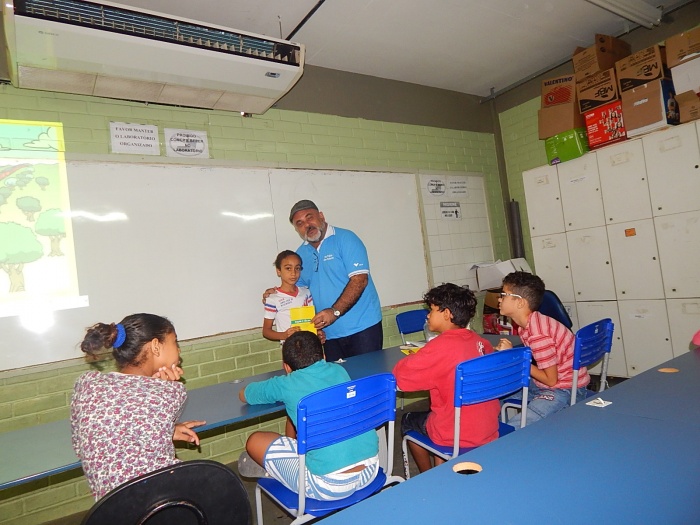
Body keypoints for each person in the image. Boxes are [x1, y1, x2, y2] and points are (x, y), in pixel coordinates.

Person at [70, 313, 205, 500]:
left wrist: (168, 429)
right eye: (175, 342)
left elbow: (81, 447)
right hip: (155, 503)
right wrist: (164, 388)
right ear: (156, 346)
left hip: (109, 507)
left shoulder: (87, 385)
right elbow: (161, 460)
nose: (179, 350)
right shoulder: (168, 392)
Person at [237, 331, 380, 500]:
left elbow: (244, 395)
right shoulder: (339, 371)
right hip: (370, 470)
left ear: (286, 367)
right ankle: (282, 468)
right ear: (324, 357)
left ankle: (278, 472)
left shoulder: (285, 384)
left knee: (254, 441)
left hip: (328, 485)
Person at [392, 283, 499, 473]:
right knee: (438, 404)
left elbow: (399, 379)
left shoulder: (439, 347)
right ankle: (441, 465)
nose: (427, 315)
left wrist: (421, 355)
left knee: (408, 420)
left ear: (447, 314)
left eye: (432, 310)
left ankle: (430, 476)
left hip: (456, 433)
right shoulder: (481, 342)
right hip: (489, 427)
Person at [265, 200, 382, 362]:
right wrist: (275, 292)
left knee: (368, 375)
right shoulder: (300, 254)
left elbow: (360, 280)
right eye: (300, 223)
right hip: (327, 335)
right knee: (336, 378)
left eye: (309, 217)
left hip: (362, 328)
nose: (307, 225)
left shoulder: (346, 239)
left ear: (321, 216)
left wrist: (334, 312)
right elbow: (296, 290)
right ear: (296, 229)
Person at [494, 271, 590, 428]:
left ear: (520, 303)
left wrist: (515, 357)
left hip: (565, 390)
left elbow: (551, 380)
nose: (499, 299)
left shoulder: (538, 334)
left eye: (504, 295)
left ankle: (500, 440)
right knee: (493, 393)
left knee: (515, 426)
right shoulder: (528, 324)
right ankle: (488, 431)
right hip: (547, 384)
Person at [263, 250, 315, 343]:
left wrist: (318, 332)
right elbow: (266, 331)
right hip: (289, 347)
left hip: (309, 344)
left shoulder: (306, 293)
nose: (293, 273)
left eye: (297, 268)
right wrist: (284, 335)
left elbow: (311, 320)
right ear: (278, 271)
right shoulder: (273, 299)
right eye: (288, 268)